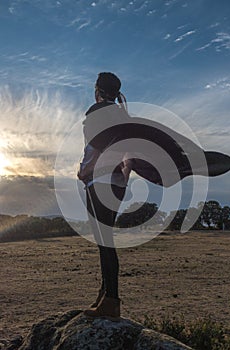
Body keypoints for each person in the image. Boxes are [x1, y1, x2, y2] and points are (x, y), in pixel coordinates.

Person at [78, 72, 132, 318]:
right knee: (106, 241)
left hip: (98, 181)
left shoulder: (96, 112)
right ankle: (105, 295)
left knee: (104, 242)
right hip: (117, 184)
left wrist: (86, 171)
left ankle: (110, 300)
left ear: (97, 90)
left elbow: (98, 148)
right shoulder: (123, 115)